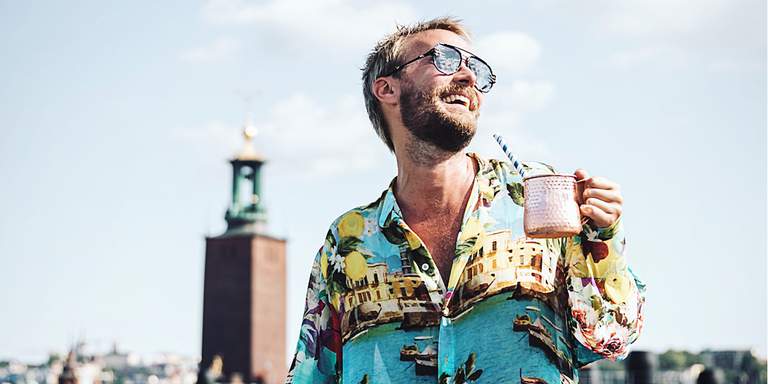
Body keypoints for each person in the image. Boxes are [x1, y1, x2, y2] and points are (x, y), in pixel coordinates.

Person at [285, 17, 645, 384]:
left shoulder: (541, 197)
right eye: (444, 59)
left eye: (476, 69)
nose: (468, 77)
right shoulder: (348, 241)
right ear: (387, 89)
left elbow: (610, 338)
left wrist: (604, 239)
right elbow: (312, 376)